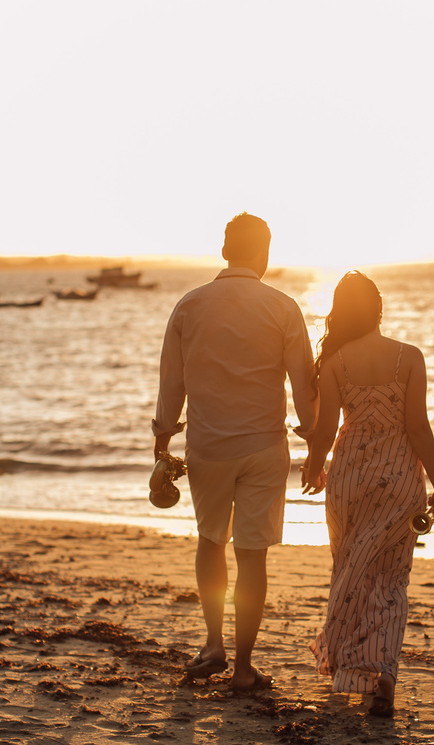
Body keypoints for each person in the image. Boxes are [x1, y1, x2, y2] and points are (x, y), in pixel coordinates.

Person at [152, 212, 316, 691]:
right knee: (252, 555)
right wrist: (317, 441)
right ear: (265, 254)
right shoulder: (283, 307)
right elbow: (304, 386)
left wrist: (162, 439)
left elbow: (171, 382)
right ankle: (244, 666)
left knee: (210, 541)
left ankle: (213, 643)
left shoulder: (189, 306)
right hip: (265, 446)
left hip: (208, 446)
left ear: (225, 251)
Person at [302, 270, 434, 717]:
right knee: (390, 580)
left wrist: (313, 465)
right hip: (399, 479)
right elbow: (417, 427)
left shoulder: (335, 363)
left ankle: (349, 669)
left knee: (350, 571)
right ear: (379, 309)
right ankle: (383, 674)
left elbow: (326, 430)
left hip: (349, 480)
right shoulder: (409, 358)